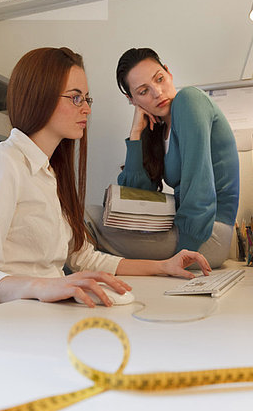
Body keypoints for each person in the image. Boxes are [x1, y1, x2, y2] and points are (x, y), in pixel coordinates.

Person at [0, 47, 211, 309]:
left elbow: (83, 258)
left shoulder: (50, 173)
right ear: (39, 97)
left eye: (87, 99)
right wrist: (43, 286)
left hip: (47, 314)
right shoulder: (0, 164)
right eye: (76, 98)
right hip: (13, 322)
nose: (87, 110)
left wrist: (162, 266)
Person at [87, 47, 239, 269]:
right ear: (132, 100)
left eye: (159, 79)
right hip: (189, 231)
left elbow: (199, 189)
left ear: (168, 73)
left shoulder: (189, 101)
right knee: (89, 223)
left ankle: (52, 288)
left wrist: (181, 257)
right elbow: (136, 197)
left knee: (86, 220)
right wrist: (136, 134)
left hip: (207, 236)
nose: (157, 92)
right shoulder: (158, 129)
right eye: (143, 91)